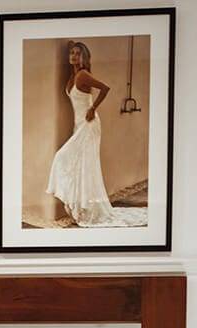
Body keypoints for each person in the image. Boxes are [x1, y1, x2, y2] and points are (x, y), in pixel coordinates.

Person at [46, 42, 148, 228]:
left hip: (89, 124)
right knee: (80, 165)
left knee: (74, 161)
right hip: (80, 125)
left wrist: (93, 108)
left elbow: (105, 88)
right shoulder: (74, 75)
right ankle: (82, 208)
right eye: (71, 53)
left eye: (77, 53)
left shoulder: (83, 74)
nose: (73, 56)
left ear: (84, 57)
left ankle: (86, 209)